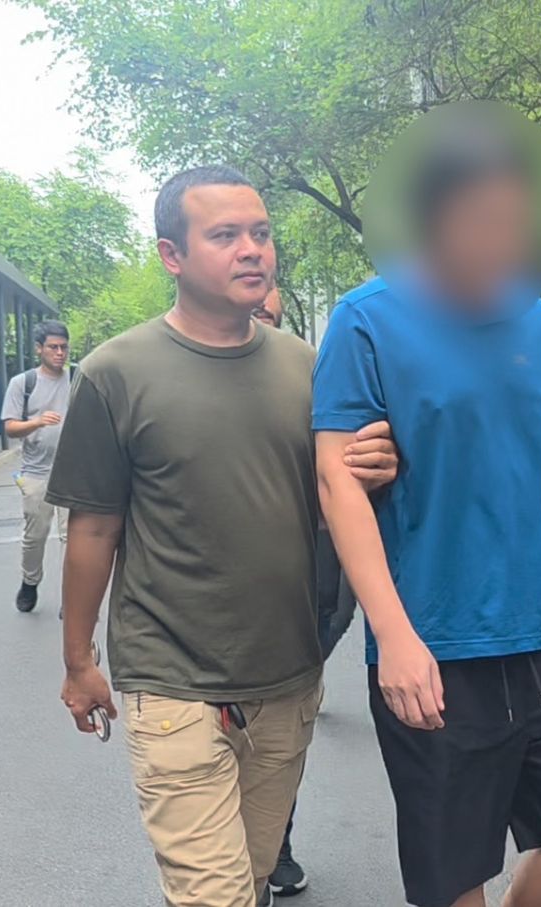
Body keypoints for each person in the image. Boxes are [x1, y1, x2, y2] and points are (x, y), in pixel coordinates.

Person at [312, 105, 541, 907]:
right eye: (486, 218)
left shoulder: (537, 320)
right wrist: (393, 635)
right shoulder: (365, 321)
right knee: (454, 874)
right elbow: (338, 482)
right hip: (434, 636)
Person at [50, 165, 398, 907]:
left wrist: (369, 469)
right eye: (226, 235)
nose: (252, 250)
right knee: (216, 895)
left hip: (287, 677)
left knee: (253, 875)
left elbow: (325, 505)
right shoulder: (115, 374)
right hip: (170, 679)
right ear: (171, 255)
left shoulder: (306, 367)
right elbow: (94, 528)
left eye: (261, 233)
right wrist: (79, 661)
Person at [245, 281, 314, 898]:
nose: (260, 323)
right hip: (202, 625)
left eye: (269, 314)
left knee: (281, 740)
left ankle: (273, 846)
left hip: (300, 602)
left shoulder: (305, 373)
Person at [1, 320, 73, 614]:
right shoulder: (23, 383)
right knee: (35, 536)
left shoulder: (78, 379)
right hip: (36, 473)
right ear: (39, 349)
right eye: (53, 347)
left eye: (64, 347)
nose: (60, 353)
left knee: (73, 539)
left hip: (73, 473)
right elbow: (10, 428)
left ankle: (72, 598)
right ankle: (30, 582)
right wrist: (38, 421)